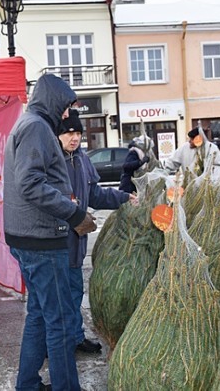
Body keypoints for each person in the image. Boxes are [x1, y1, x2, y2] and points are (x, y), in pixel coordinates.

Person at [3, 73, 97, 391]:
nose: (69, 113)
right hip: (42, 240)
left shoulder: (28, 123)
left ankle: (27, 383)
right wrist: (73, 213)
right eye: (68, 106)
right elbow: (30, 183)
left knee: (40, 315)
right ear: (55, 101)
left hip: (28, 236)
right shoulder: (37, 127)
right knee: (57, 322)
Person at [57, 109, 137, 354]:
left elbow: (95, 194)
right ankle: (58, 342)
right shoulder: (53, 161)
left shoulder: (81, 159)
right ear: (58, 135)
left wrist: (125, 198)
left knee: (74, 291)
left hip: (76, 240)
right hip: (56, 241)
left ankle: (75, 336)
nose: (74, 138)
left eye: (78, 133)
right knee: (59, 298)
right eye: (69, 133)